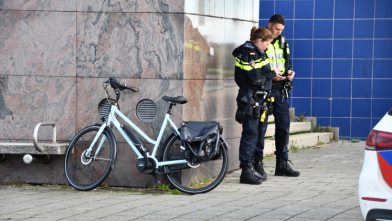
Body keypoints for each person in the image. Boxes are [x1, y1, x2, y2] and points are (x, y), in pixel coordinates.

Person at [232, 27, 282, 185]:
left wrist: (275, 76)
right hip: (250, 98)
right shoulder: (249, 54)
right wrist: (272, 74)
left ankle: (253, 166)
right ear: (259, 41)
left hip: (259, 99)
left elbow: (263, 76)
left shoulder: (258, 52)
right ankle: (246, 170)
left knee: (258, 133)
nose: (268, 46)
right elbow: (256, 79)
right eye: (267, 43)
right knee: (250, 133)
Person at [255, 14, 300, 178]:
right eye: (277, 29)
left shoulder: (282, 41)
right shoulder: (260, 39)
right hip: (265, 90)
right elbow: (255, 67)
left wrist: (290, 73)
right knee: (261, 129)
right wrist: (270, 76)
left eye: (281, 30)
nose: (279, 32)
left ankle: (282, 164)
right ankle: (257, 164)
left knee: (283, 128)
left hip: (281, 90)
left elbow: (287, 62)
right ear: (269, 25)